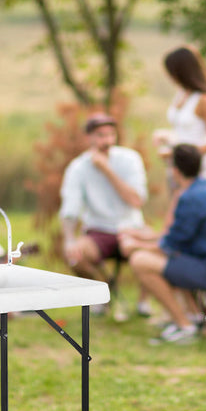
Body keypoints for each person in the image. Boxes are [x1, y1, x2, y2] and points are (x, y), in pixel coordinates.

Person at [119, 144, 206, 344]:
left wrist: (135, 246)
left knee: (140, 261)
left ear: (174, 171)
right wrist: (141, 237)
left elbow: (169, 245)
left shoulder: (190, 197)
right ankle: (191, 316)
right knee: (160, 258)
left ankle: (185, 325)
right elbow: (175, 238)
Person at [59, 114, 148, 308]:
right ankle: (102, 293)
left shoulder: (130, 159)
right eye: (100, 135)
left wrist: (107, 170)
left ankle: (143, 303)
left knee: (154, 252)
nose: (106, 141)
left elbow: (136, 200)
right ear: (88, 138)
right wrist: (69, 239)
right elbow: (70, 208)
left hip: (131, 227)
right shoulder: (77, 168)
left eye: (110, 135)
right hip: (98, 230)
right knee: (74, 256)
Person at [153, 46, 206, 182]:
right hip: (176, 169)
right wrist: (167, 136)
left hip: (198, 172)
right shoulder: (181, 94)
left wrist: (178, 154)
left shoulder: (204, 100)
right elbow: (186, 131)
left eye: (171, 72)